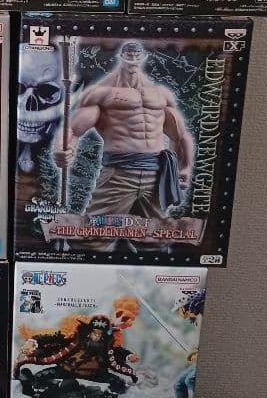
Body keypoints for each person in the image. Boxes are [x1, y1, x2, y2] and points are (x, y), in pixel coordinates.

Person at [54, 40, 194, 245]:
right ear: (121, 57)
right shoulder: (101, 93)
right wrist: (63, 150)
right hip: (119, 174)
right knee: (94, 237)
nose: (133, 60)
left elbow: (180, 135)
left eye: (137, 56)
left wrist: (185, 166)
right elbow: (73, 129)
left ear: (143, 58)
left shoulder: (161, 94)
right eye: (129, 55)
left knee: (155, 239)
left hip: (156, 175)